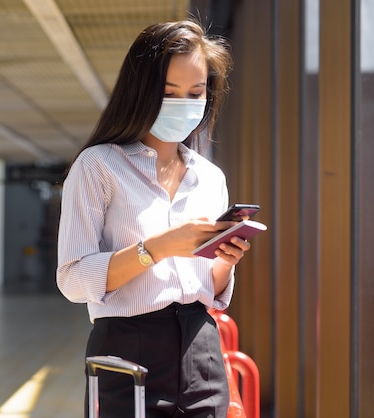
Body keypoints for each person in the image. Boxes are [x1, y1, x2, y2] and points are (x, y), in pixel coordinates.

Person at [56, 20, 250, 418]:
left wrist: (225, 262)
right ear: (141, 92)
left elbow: (208, 288)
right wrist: (158, 248)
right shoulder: (98, 166)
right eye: (169, 92)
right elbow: (73, 280)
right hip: (128, 348)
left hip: (202, 349)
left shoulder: (210, 178)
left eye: (196, 93)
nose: (185, 103)